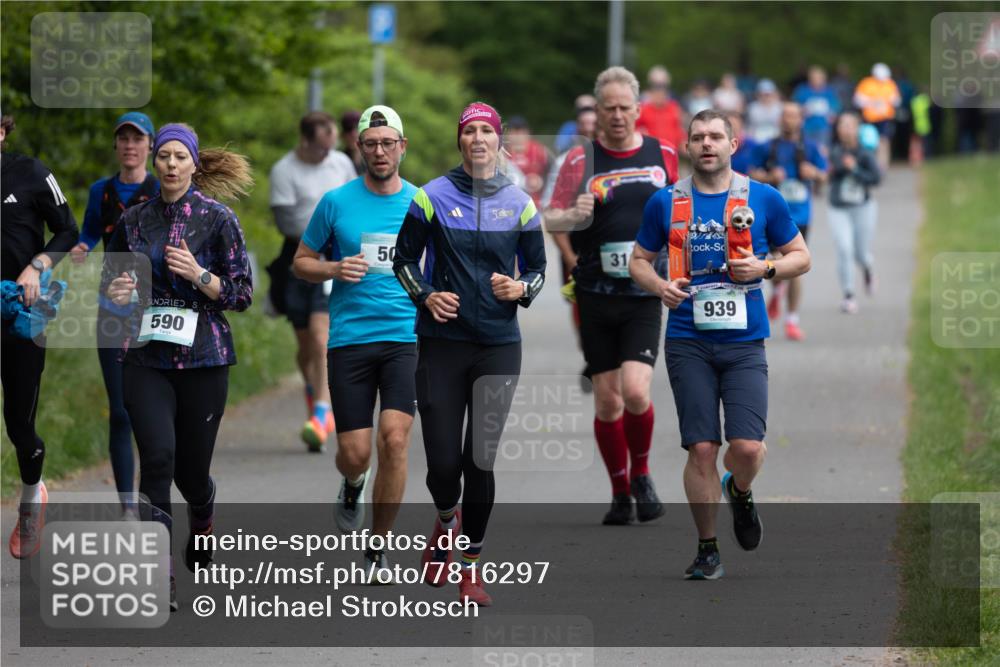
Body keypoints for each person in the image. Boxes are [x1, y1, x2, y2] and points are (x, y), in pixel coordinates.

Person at [630, 109, 811, 579]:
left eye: (716, 137)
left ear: (733, 144)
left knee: (747, 448)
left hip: (745, 342)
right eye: (698, 138)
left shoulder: (762, 198)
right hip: (688, 339)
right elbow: (638, 261)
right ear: (688, 147)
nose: (707, 144)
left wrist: (765, 268)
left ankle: (741, 490)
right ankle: (707, 548)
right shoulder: (664, 203)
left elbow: (801, 257)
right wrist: (659, 287)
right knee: (703, 448)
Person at [393, 102, 546, 606]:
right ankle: (444, 521)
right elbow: (403, 260)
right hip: (441, 345)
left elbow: (539, 271)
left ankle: (471, 565)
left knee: (479, 459)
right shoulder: (430, 197)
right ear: (460, 141)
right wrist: (426, 295)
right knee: (442, 464)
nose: (478, 139)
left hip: (498, 347)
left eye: (487, 131)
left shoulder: (520, 202)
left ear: (499, 142)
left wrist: (519, 289)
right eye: (470, 131)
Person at [103, 123, 253, 609]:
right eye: (162, 156)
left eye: (177, 156)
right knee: (158, 459)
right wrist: (119, 293)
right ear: (154, 163)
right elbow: (114, 285)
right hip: (145, 356)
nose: (169, 164)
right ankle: (159, 571)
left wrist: (200, 275)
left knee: (191, 474)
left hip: (205, 358)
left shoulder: (219, 219)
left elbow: (242, 293)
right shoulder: (134, 220)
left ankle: (203, 515)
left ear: (193, 164)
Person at [546, 67, 678, 526]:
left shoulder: (663, 155)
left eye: (626, 107)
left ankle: (641, 473)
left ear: (638, 110)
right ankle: (620, 491)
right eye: (610, 108)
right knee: (607, 401)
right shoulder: (578, 162)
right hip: (595, 294)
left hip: (643, 292)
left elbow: (689, 208)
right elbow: (551, 218)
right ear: (597, 112)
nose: (618, 116)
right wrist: (572, 213)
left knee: (636, 392)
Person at [292, 105, 417, 583]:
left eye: (389, 143)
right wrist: (332, 268)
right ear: (358, 148)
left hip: (405, 337)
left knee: (395, 439)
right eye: (371, 143)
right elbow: (302, 261)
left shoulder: (422, 203)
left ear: (402, 147)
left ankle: (379, 548)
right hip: (350, 340)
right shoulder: (336, 202)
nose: (380, 151)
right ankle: (352, 482)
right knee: (356, 452)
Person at [69, 112, 159, 507]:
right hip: (111, 307)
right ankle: (127, 504)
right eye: (123, 139)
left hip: (154, 308)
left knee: (152, 411)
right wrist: (83, 247)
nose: (129, 145)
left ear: (150, 146)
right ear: (116, 146)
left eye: (137, 139)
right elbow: (90, 229)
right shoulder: (100, 191)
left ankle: (156, 491)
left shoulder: (161, 188)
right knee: (120, 410)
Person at [1, 114, 79, 559]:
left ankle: (32, 497)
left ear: (2, 131)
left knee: (18, 424)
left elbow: (67, 229)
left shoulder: (31, 173)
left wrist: (38, 265)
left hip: (21, 316)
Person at [269, 112, 357, 451]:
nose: (328, 153)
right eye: (321, 147)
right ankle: (314, 392)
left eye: (331, 144)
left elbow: (353, 200)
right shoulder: (284, 170)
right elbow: (286, 222)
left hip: (334, 256)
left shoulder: (340, 165)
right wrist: (315, 239)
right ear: (305, 141)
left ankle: (322, 413)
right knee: (305, 346)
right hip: (299, 257)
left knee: (323, 339)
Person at [749, 102, 827, 341]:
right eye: (785, 115)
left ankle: (792, 319)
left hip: (800, 215)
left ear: (800, 120)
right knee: (775, 261)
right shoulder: (767, 147)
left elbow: (824, 178)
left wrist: (813, 174)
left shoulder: (811, 148)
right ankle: (778, 288)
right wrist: (769, 176)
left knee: (794, 266)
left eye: (793, 116)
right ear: (779, 119)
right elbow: (751, 175)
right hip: (771, 214)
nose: (789, 120)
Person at [827, 112, 881, 314]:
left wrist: (856, 169)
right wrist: (841, 167)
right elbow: (833, 169)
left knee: (861, 253)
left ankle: (868, 269)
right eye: (842, 125)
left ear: (857, 129)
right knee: (844, 249)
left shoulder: (865, 154)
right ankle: (849, 295)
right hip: (838, 208)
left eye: (850, 125)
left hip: (863, 208)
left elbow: (876, 178)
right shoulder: (834, 151)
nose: (846, 129)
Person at [853, 63, 901, 172]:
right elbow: (857, 100)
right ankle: (869, 164)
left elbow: (897, 100)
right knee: (868, 142)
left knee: (884, 141)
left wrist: (887, 101)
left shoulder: (890, 84)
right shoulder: (866, 83)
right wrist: (871, 102)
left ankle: (882, 166)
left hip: (885, 119)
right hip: (870, 119)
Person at [636, 65, 686, 152]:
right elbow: (632, 131)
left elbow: (680, 133)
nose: (660, 89)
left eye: (663, 85)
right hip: (650, 155)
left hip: (671, 154)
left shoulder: (674, 108)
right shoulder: (642, 109)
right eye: (655, 85)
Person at [505, 115, 551, 206]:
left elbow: (553, 176)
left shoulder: (540, 151)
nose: (517, 135)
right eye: (513, 131)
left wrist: (540, 182)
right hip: (509, 204)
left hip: (535, 204)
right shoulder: (501, 154)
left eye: (521, 131)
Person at [792, 66, 840, 149]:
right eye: (814, 78)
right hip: (806, 127)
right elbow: (794, 105)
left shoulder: (829, 91)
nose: (816, 80)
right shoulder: (802, 90)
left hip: (824, 127)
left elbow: (836, 106)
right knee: (807, 149)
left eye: (819, 78)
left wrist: (833, 115)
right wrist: (801, 110)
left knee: (823, 150)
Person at [746, 79, 783, 145]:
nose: (766, 97)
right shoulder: (752, 108)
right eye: (763, 94)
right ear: (758, 94)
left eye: (768, 94)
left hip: (776, 140)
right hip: (756, 139)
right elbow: (750, 127)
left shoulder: (780, 107)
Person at [340, 110, 364, 174]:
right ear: (342, 135)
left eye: (358, 128)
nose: (353, 134)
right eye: (349, 129)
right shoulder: (337, 162)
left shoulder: (375, 160)